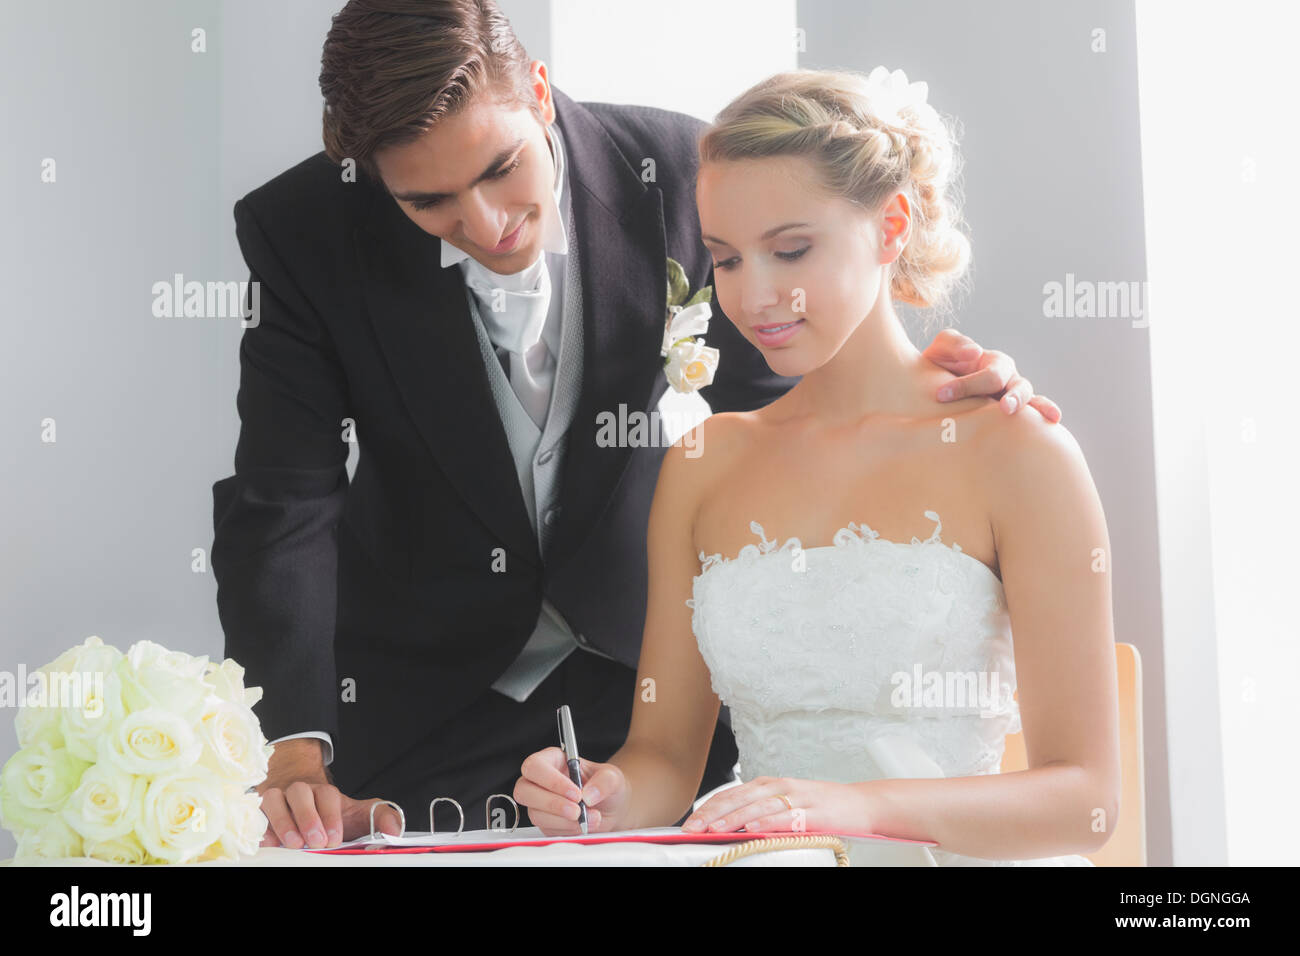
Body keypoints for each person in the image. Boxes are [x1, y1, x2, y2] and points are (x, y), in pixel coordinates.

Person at [212, 0, 1061, 849]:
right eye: (429, 201)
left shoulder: (681, 171)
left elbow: (791, 403)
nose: (484, 224)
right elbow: (284, 500)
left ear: (539, 93)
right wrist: (292, 743)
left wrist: (933, 403)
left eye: (500, 169)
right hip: (422, 695)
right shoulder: (306, 231)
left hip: (652, 693)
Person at [514, 66, 1120, 865]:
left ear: (891, 225)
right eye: (726, 260)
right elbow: (664, 760)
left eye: (791, 250)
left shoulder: (1017, 451)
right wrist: (599, 794)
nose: (756, 296)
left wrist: (850, 810)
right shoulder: (703, 463)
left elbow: (1088, 801)